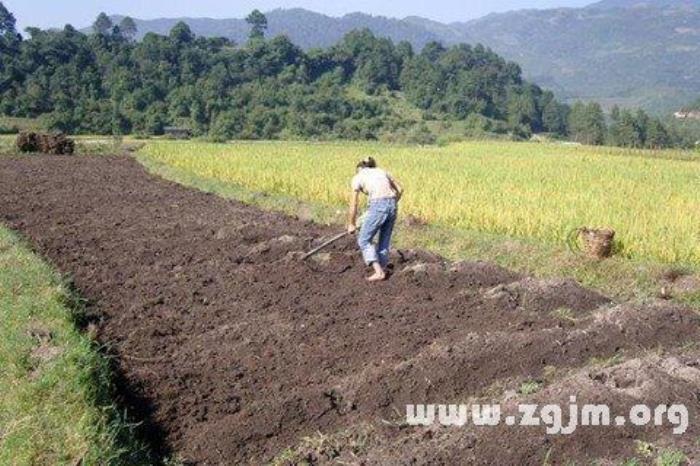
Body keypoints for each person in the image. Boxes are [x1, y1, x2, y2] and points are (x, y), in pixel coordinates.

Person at [347, 157, 403, 282]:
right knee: (384, 240)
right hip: (392, 205)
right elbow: (400, 189)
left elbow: (354, 204)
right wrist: (390, 205)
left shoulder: (358, 176)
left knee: (364, 240)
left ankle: (379, 272)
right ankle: (382, 267)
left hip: (378, 205)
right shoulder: (382, 171)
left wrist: (351, 224)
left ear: (360, 169)